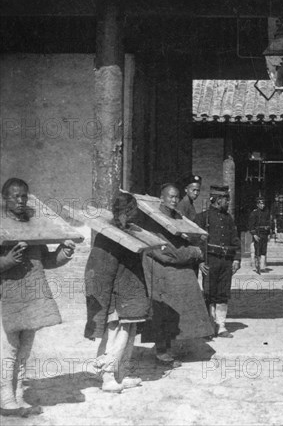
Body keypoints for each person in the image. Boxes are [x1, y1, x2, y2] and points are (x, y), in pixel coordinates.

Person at [0, 178, 76, 417]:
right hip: (6, 296)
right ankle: (5, 400)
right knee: (7, 350)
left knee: (24, 350)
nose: (21, 201)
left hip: (31, 295)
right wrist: (7, 261)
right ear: (5, 199)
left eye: (24, 196)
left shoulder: (36, 227)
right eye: (15, 196)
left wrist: (64, 253)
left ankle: (19, 396)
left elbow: (47, 261)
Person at [84, 193, 150, 393]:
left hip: (131, 294)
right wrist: (103, 305)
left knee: (128, 335)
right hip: (117, 297)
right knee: (115, 336)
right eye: (132, 210)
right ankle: (107, 376)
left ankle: (122, 373)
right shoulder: (108, 236)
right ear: (124, 211)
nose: (135, 214)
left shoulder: (131, 233)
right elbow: (100, 272)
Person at [141, 183, 213, 365]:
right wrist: (195, 252)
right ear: (162, 197)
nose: (173, 200)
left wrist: (194, 244)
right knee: (162, 312)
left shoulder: (175, 217)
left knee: (178, 310)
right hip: (160, 274)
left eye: (176, 197)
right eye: (170, 197)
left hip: (172, 272)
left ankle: (170, 346)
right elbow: (168, 254)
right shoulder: (153, 221)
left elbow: (181, 243)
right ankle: (161, 352)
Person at [195, 186, 241, 338]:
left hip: (226, 262)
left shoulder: (228, 219)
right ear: (217, 199)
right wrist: (200, 261)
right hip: (210, 261)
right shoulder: (203, 218)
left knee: (223, 294)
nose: (228, 202)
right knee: (209, 293)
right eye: (225, 199)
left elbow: (235, 239)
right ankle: (208, 326)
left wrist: (236, 258)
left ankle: (221, 326)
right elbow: (196, 241)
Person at [248, 196, 271, 273]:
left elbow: (269, 223)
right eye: (260, 204)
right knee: (257, 250)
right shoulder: (254, 213)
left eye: (263, 204)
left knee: (263, 250)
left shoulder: (266, 212)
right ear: (257, 204)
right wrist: (254, 234)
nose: (262, 205)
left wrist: (269, 233)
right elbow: (251, 225)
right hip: (257, 233)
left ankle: (262, 266)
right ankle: (256, 266)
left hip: (264, 233)